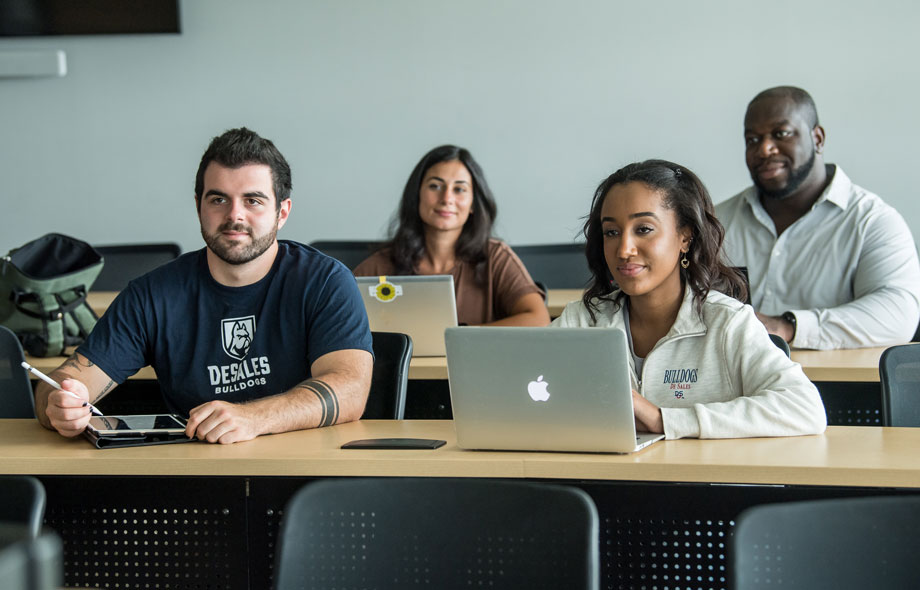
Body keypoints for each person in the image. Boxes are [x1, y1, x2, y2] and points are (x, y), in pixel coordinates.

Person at [34, 128, 374, 444]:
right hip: (194, 477)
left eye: (253, 200)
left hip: (302, 471)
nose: (234, 215)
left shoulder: (325, 281)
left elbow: (350, 390)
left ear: (282, 212)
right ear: (199, 206)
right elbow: (62, 384)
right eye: (218, 200)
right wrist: (61, 401)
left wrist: (254, 417)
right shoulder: (153, 294)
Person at [553, 159, 826, 440]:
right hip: (601, 480)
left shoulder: (728, 323)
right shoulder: (581, 321)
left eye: (643, 229)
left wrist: (665, 420)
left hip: (700, 483)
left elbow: (805, 408)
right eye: (611, 232)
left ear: (685, 236)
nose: (624, 249)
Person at [717, 86, 920, 349]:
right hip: (736, 386)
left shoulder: (873, 221)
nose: (765, 149)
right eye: (752, 139)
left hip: (836, 387)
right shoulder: (716, 221)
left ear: (818, 139)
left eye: (781, 134)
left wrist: (787, 326)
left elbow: (898, 316)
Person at [354, 145, 550, 326]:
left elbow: (539, 319)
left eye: (459, 189)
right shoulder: (379, 266)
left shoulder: (495, 258)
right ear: (417, 194)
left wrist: (458, 337)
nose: (446, 198)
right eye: (435, 186)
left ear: (473, 203)